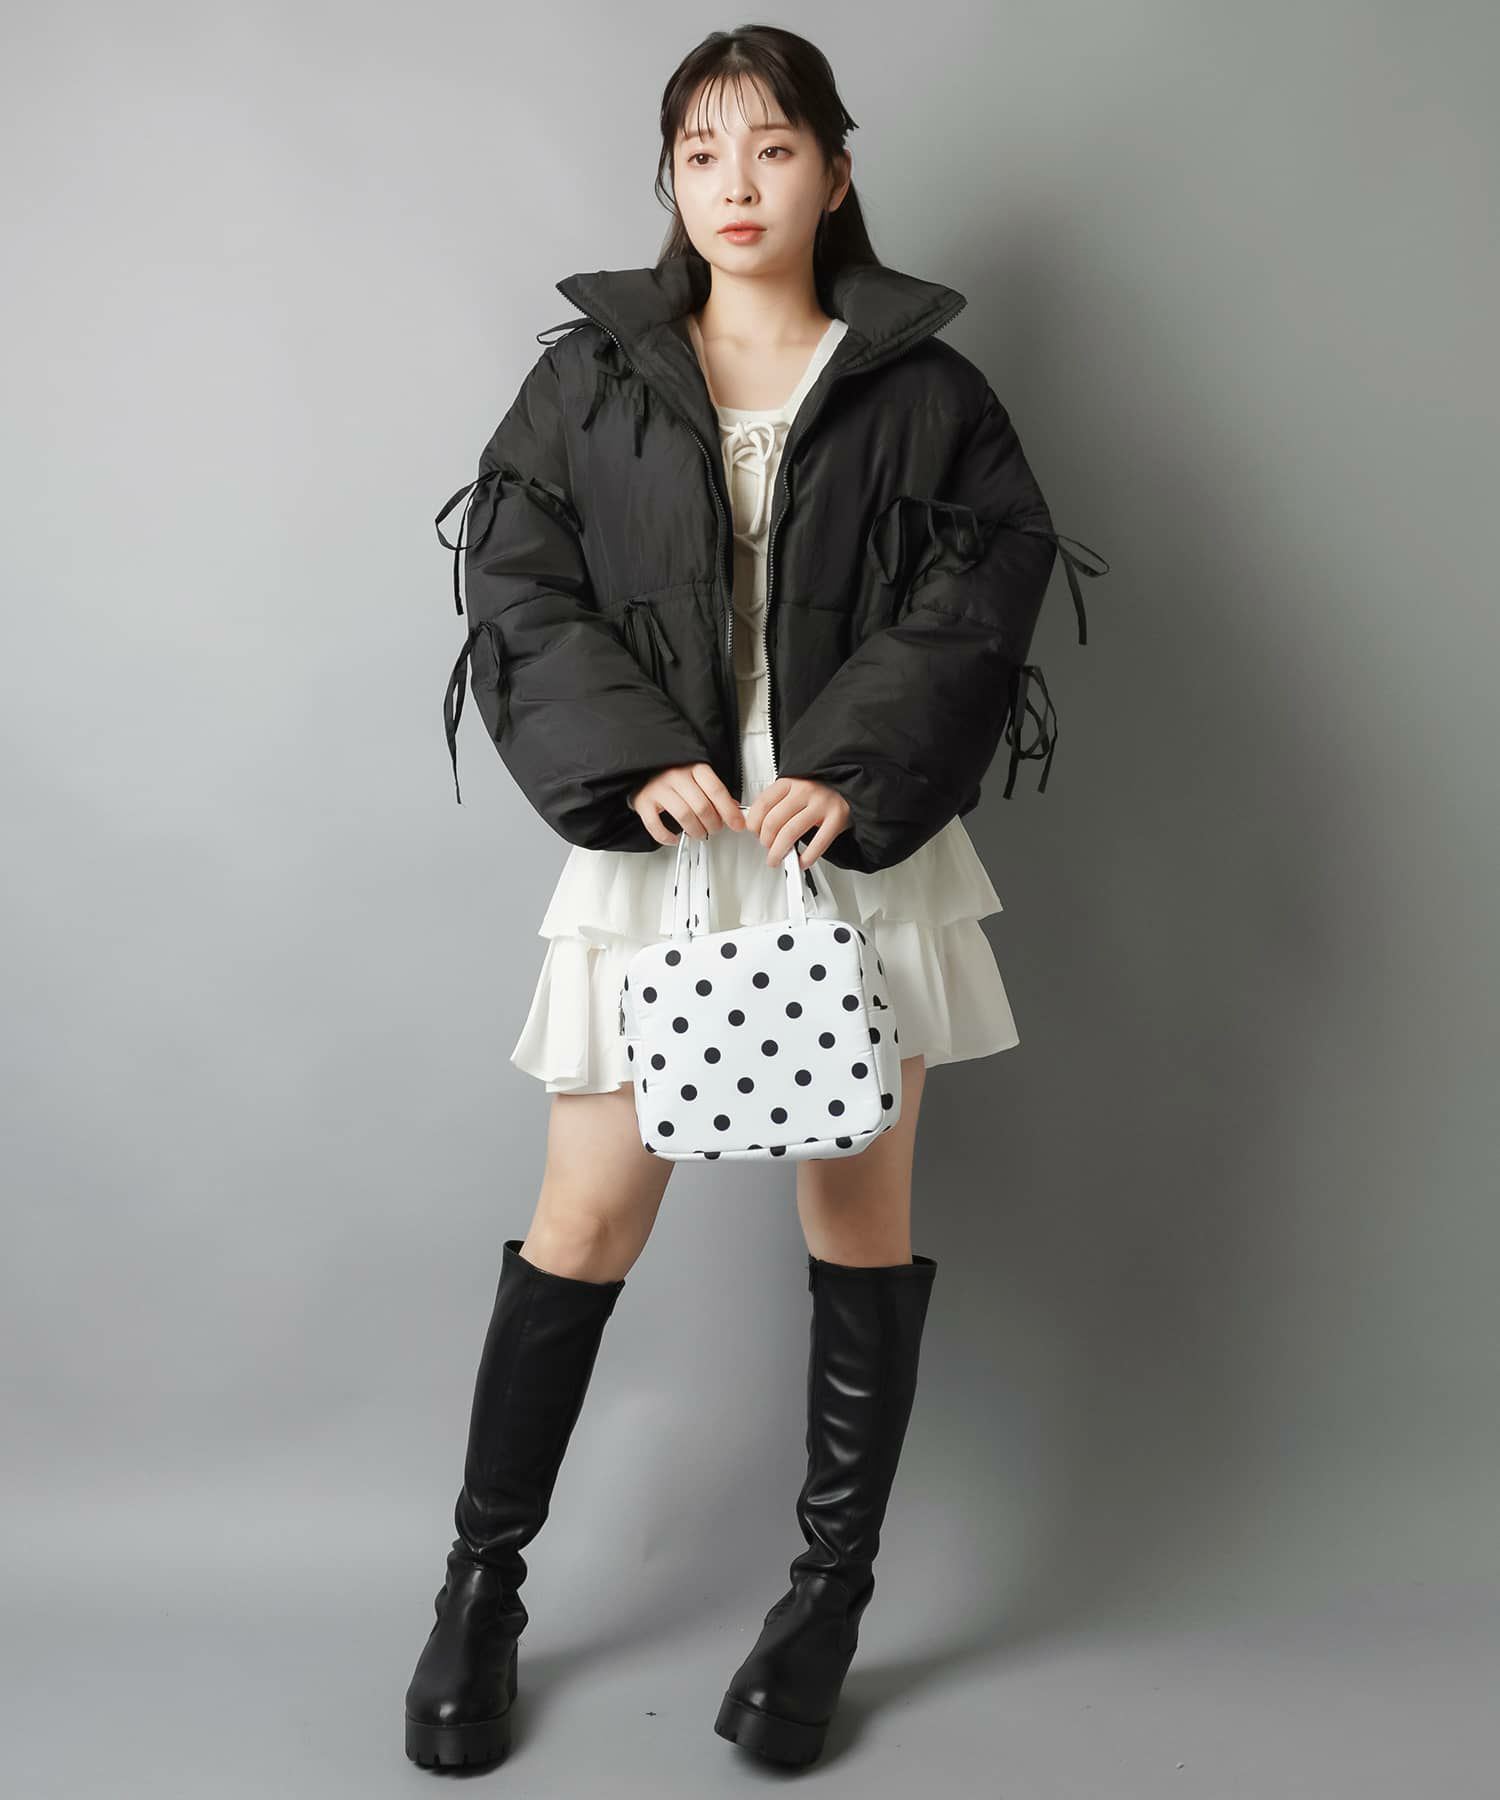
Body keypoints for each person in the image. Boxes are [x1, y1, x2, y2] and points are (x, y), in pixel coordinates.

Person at [406, 24, 1108, 1774]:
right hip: (661, 839)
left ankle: (824, 1604)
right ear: (669, 176)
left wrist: (856, 766)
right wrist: (633, 755)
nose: (737, 183)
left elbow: (988, 582)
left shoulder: (927, 389)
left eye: (774, 147)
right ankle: (481, 1591)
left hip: (849, 844)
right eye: (704, 151)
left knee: (859, 1217)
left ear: (836, 172)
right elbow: (517, 574)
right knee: (584, 1219)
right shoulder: (589, 380)